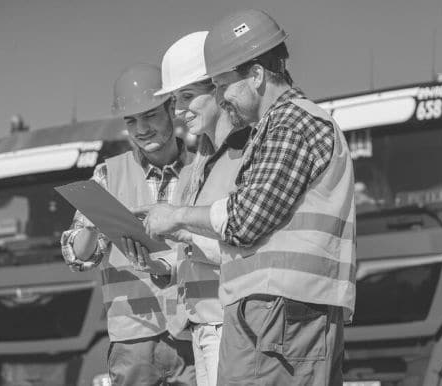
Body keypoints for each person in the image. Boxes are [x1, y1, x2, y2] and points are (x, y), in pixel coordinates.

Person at [140, 9, 356, 385]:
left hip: (282, 314)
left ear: (255, 75)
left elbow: (245, 219)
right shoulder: (273, 128)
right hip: (275, 314)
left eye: (223, 85)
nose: (221, 98)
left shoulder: (293, 123)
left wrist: (177, 217)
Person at [125, 31, 250, 386]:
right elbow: (206, 243)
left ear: (220, 88)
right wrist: (166, 259)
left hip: (234, 325)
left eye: (187, 96)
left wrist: (178, 226)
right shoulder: (204, 161)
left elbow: (245, 246)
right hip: (205, 324)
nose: (178, 111)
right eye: (175, 99)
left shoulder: (242, 155)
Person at [60, 63, 195, 385]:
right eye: (131, 120)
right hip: (134, 339)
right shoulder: (108, 176)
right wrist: (93, 226)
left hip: (195, 328)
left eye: (150, 116)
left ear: (171, 108)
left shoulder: (203, 167)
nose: (141, 128)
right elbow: (78, 259)